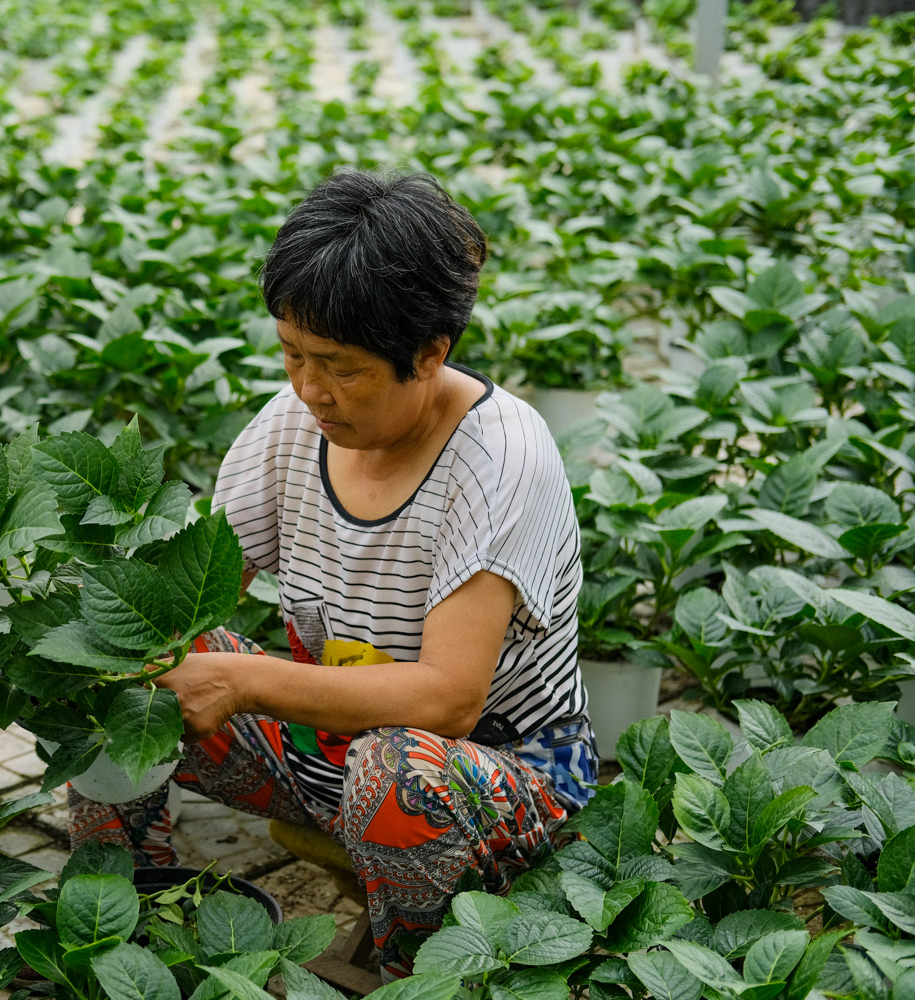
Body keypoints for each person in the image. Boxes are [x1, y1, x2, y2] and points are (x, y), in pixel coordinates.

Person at [67, 170, 596, 981]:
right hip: (321, 757)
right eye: (291, 353)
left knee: (396, 777)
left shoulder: (500, 461)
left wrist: (241, 680)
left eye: (341, 367)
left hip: (487, 777)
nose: (310, 389)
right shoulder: (292, 426)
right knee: (120, 663)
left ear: (428, 354)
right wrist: (126, 642)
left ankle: (421, 980)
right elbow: (195, 590)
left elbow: (446, 700)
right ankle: (108, 930)